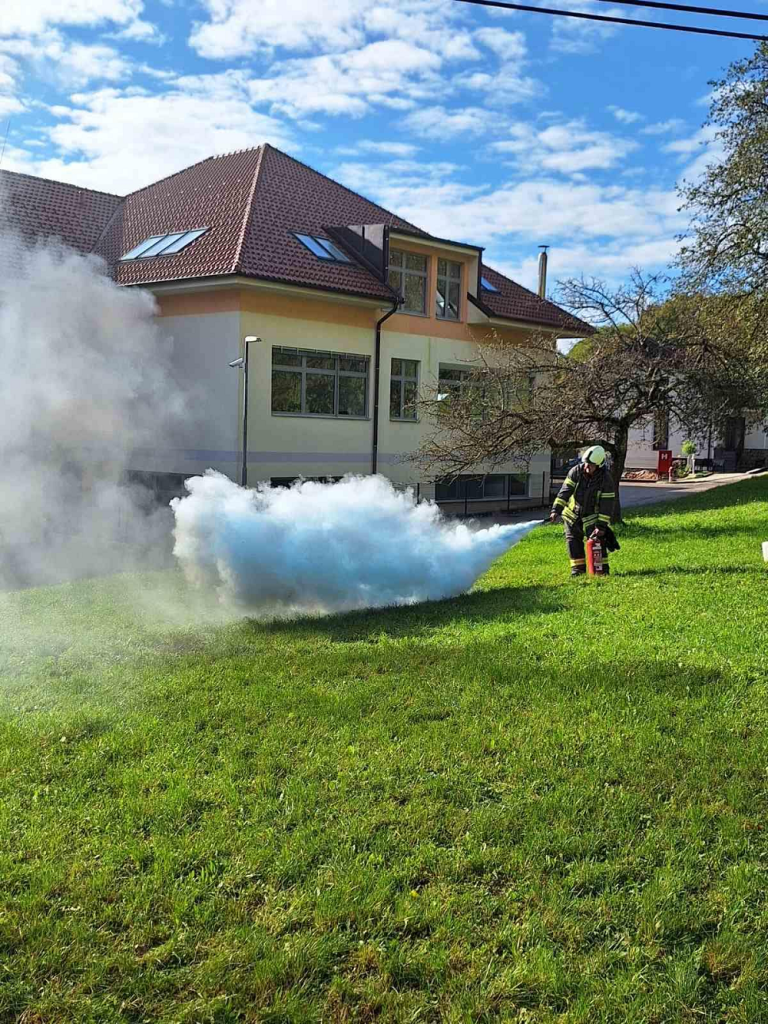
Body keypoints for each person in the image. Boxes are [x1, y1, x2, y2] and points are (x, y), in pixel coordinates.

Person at [549, 445, 617, 576]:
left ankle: (601, 570)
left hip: (592, 517)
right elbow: (564, 492)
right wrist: (555, 510)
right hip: (571, 515)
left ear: (599, 466)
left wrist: (601, 526)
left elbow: (607, 505)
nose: (586, 467)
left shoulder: (606, 479)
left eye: (590, 465)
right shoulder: (576, 471)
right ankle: (577, 571)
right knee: (573, 543)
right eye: (585, 463)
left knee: (597, 543)